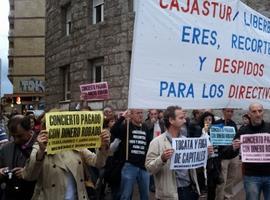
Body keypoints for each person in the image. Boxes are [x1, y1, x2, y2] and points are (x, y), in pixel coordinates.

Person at [21, 127, 110, 200]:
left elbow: (98, 163)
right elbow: (30, 176)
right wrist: (41, 151)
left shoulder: (76, 145)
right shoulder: (39, 147)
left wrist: (102, 146)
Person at [145, 106, 200, 200]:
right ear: (171, 120)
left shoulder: (186, 140)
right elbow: (149, 169)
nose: (185, 121)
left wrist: (204, 154)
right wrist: (161, 159)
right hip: (169, 194)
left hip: (188, 190)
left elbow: (193, 165)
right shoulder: (157, 142)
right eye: (181, 118)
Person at [232, 102, 270, 200]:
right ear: (249, 114)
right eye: (254, 111)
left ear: (263, 112)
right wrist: (234, 147)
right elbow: (232, 152)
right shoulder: (243, 131)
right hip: (251, 176)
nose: (257, 114)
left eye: (260, 111)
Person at [111, 109, 151, 200]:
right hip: (129, 166)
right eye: (138, 113)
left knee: (146, 195)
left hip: (144, 166)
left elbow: (149, 143)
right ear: (131, 115)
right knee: (126, 195)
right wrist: (122, 117)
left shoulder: (145, 127)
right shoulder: (126, 127)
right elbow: (113, 130)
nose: (140, 115)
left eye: (141, 113)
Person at [0, 115, 37, 200]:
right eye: (13, 136)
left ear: (30, 130)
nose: (16, 140)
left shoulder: (39, 147)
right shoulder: (5, 149)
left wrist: (26, 173)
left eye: (20, 136)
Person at [214, 108, 239, 200]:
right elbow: (214, 139)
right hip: (223, 156)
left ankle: (227, 196)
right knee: (222, 180)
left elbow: (236, 137)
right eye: (228, 111)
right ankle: (219, 197)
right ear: (223, 111)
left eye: (232, 111)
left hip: (233, 155)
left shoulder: (233, 123)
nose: (230, 113)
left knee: (231, 178)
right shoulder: (217, 123)